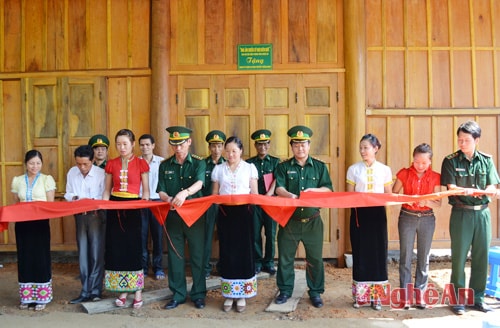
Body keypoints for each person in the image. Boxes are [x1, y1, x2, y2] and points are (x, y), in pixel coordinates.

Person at [440, 120, 500, 315]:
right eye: (460, 140)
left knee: (481, 256)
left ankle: (478, 298)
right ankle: (457, 299)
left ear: (476, 140)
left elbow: (492, 186)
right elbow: (452, 188)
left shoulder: (486, 160)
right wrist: (475, 191)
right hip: (461, 213)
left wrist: (488, 191)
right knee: (459, 257)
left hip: (482, 214)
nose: (462, 143)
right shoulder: (450, 160)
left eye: (466, 140)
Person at [274, 126, 333, 308]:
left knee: (315, 259)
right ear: (291, 146)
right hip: (289, 221)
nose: (300, 148)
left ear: (309, 145)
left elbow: (328, 189)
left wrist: (313, 191)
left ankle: (315, 292)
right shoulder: (283, 167)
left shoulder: (319, 167)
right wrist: (289, 196)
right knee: (285, 258)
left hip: (313, 221)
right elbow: (278, 188)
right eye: (297, 145)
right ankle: (284, 291)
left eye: (304, 144)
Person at [157, 126, 207, 310]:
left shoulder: (199, 163)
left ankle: (199, 294)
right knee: (175, 257)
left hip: (195, 217)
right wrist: (168, 198)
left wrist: (185, 193)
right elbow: (160, 189)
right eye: (174, 145)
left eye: (181, 144)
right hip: (173, 217)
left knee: (197, 256)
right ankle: (178, 294)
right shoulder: (165, 165)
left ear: (189, 142)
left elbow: (200, 183)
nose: (178, 148)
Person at [102, 129, 150, 309]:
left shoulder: (141, 163)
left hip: (133, 208)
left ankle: (137, 290)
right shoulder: (111, 164)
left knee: (134, 247)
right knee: (117, 248)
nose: (121, 147)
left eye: (125, 144)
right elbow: (107, 191)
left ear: (133, 144)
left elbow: (145, 192)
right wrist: (104, 207)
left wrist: (143, 207)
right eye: (118, 144)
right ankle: (123, 290)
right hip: (114, 208)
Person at [212, 136, 259, 313]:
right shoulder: (218, 170)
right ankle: (229, 294)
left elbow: (254, 194)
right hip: (225, 214)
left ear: (241, 151)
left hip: (244, 213)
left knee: (244, 251)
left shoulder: (249, 168)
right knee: (227, 251)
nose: (231, 154)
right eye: (228, 151)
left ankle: (242, 295)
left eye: (234, 151)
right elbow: (215, 196)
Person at [346, 133, 393, 311]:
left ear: (376, 149)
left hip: (378, 214)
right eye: (361, 148)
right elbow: (349, 195)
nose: (363, 151)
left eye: (366, 147)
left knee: (378, 253)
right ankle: (361, 296)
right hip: (359, 215)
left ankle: (377, 297)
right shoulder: (353, 169)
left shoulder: (384, 169)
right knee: (360, 252)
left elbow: (389, 194)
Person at [392, 143, 441, 310]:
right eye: (417, 162)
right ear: (412, 159)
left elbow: (438, 203)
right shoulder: (404, 173)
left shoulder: (435, 176)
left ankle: (420, 295)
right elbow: (394, 194)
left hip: (427, 218)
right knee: (405, 256)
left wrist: (426, 201)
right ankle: (405, 296)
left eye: (424, 163)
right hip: (407, 216)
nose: (420, 166)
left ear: (430, 162)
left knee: (423, 257)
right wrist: (408, 198)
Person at [11, 149, 56, 311]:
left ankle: (42, 296)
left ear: (41, 164)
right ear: (26, 164)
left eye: (38, 163)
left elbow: (50, 204)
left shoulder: (47, 180)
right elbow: (16, 203)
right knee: (25, 256)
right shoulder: (17, 181)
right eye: (31, 163)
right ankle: (26, 296)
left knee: (40, 257)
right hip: (23, 224)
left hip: (40, 224)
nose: (34, 166)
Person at [64, 145, 106, 304]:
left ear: (93, 161)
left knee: (96, 253)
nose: (82, 167)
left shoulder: (101, 174)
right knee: (82, 253)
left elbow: (103, 196)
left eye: (85, 164)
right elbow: (67, 193)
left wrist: (89, 201)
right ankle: (84, 291)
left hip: (96, 216)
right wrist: (74, 198)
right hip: (79, 216)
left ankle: (95, 291)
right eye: (79, 164)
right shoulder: (71, 172)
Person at [246, 129, 280, 275]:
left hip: (270, 203)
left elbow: (278, 179)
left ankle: (269, 262)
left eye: (265, 144)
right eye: (259, 144)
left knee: (271, 234)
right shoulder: (249, 163)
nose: (262, 147)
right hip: (254, 204)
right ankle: (257, 261)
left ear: (269, 145)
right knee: (255, 233)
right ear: (255, 145)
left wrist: (268, 194)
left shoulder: (275, 162)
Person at [138, 134, 166, 280]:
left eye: (148, 144)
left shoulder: (162, 162)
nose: (145, 147)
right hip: (141, 202)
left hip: (157, 203)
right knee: (141, 237)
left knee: (157, 236)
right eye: (142, 145)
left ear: (153, 146)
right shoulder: (135, 162)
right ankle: (143, 268)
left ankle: (158, 268)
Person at [202, 130, 226, 278]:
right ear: (209, 147)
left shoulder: (228, 164)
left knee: (225, 236)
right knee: (206, 237)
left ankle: (223, 267)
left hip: (224, 206)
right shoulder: (202, 164)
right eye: (213, 146)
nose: (216, 150)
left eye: (219, 146)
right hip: (207, 206)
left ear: (223, 147)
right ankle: (205, 269)